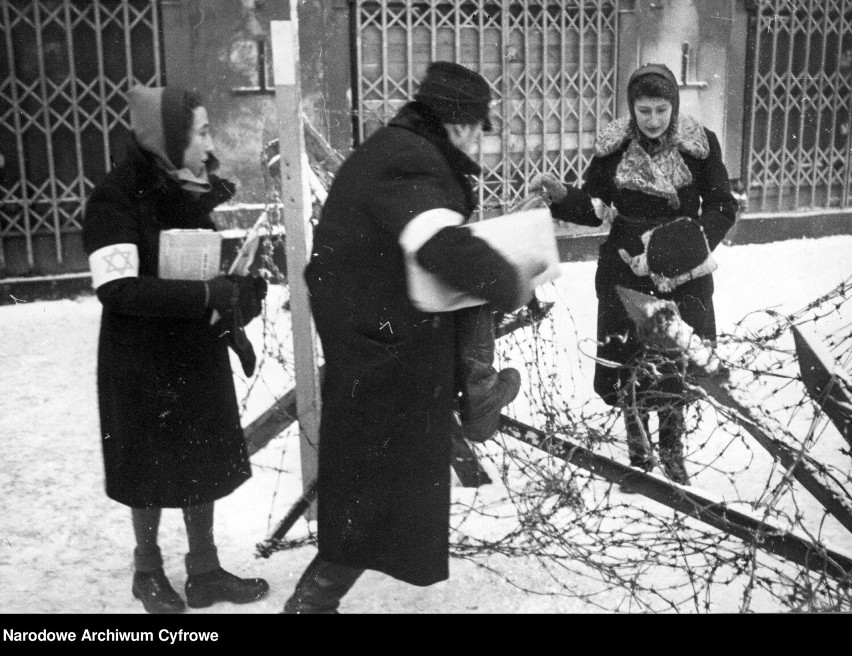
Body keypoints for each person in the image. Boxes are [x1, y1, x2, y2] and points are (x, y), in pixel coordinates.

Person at [283, 61, 546, 613]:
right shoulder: (411, 160)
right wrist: (510, 279)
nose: (481, 141)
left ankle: (314, 603)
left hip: (379, 347)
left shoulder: (401, 149)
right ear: (460, 125)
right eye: (479, 127)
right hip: (384, 359)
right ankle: (309, 607)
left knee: (376, 491)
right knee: (375, 494)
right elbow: (437, 242)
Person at [82, 85, 270, 614]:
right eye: (202, 131)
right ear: (170, 138)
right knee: (147, 464)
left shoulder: (190, 187)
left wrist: (238, 292)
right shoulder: (116, 198)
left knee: (200, 456)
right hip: (139, 358)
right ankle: (147, 572)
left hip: (192, 348)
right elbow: (116, 289)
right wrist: (206, 294)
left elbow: (200, 268)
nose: (210, 143)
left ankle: (205, 572)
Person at [533, 63, 738, 486]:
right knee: (628, 357)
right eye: (644, 111)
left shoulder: (700, 146)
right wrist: (562, 196)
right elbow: (594, 207)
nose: (653, 120)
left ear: (674, 106)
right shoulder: (613, 149)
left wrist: (687, 245)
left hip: (681, 266)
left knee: (675, 358)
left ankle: (672, 447)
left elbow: (722, 205)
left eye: (661, 110)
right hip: (625, 265)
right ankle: (637, 441)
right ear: (632, 108)